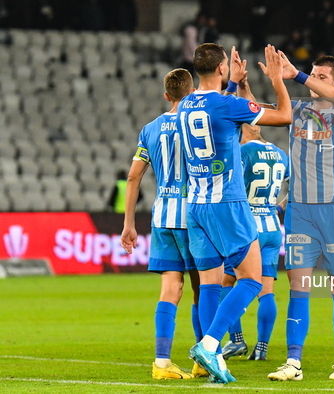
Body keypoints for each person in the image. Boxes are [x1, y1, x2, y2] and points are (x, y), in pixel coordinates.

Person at [178, 43, 292, 384]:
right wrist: (276, 80)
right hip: (227, 204)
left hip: (195, 206)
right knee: (252, 279)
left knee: (211, 284)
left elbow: (215, 110)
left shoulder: (185, 104)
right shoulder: (229, 105)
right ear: (222, 69)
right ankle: (211, 345)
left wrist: (234, 85)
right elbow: (284, 115)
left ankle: (214, 362)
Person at [263, 53, 334, 381]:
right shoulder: (299, 112)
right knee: (298, 286)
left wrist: (298, 74)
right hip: (300, 211)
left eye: (321, 76)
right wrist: (242, 84)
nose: (315, 80)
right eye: (313, 74)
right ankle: (293, 362)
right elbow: (256, 114)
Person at [120, 69, 206, 380]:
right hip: (194, 217)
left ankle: (162, 363)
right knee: (203, 290)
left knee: (170, 289)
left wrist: (129, 224)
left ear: (166, 96)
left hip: (162, 217)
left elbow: (133, 177)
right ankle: (204, 359)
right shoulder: (198, 124)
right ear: (193, 91)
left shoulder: (150, 129)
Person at [220, 123, 289, 361]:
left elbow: (232, 189)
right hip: (271, 228)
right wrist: (278, 208)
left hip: (248, 230)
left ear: (245, 129)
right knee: (266, 291)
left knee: (225, 282)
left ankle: (236, 340)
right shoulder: (280, 154)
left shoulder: (242, 152)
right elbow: (297, 187)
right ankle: (262, 348)